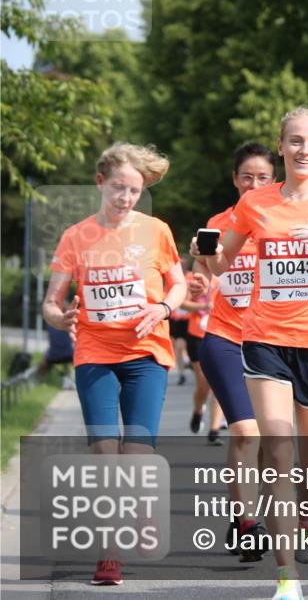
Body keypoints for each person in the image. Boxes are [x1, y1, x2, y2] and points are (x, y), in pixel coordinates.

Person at [194, 108, 308, 600]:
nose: (304, 151)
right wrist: (204, 252)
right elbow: (224, 264)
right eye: (295, 141)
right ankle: (287, 575)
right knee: (276, 449)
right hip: (265, 338)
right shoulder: (256, 202)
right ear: (281, 146)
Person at [42, 142, 186, 586]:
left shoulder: (156, 230)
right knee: (106, 454)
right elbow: (52, 301)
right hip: (94, 353)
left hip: (146, 353)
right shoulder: (76, 236)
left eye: (135, 191)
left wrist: (161, 309)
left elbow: (178, 284)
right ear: (100, 183)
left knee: (137, 456)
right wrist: (60, 316)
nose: (126, 198)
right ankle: (109, 555)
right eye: (119, 188)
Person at [190, 141, 276, 561]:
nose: (254, 184)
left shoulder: (283, 222)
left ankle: (248, 511)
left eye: (263, 177)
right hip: (225, 336)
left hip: (274, 341)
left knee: (268, 440)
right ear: (234, 179)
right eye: (247, 177)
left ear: (273, 180)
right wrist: (199, 268)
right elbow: (206, 274)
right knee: (245, 431)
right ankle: (247, 523)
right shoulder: (220, 223)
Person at [182, 271, 224, 442]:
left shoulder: (224, 274)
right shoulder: (192, 277)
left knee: (219, 384)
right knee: (204, 384)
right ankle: (198, 410)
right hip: (197, 335)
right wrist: (203, 307)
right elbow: (183, 303)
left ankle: (214, 429)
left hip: (221, 334)